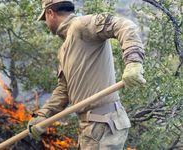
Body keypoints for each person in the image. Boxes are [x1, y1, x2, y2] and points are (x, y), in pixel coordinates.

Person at [27, 0, 146, 149]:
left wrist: (133, 61)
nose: (46, 23)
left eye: (45, 18)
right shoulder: (64, 50)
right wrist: (43, 115)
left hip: (104, 123)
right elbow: (63, 91)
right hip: (91, 127)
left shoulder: (81, 25)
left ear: (50, 13)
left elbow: (123, 25)